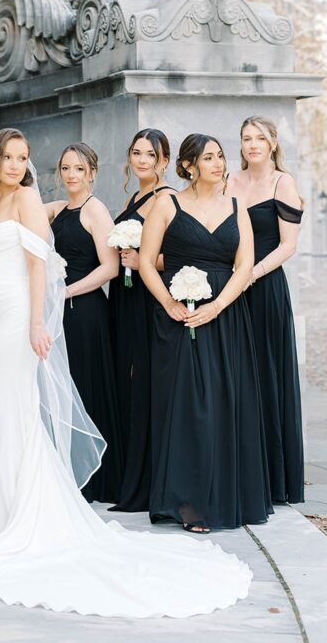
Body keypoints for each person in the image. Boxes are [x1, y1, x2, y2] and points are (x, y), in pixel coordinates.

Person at [0, 129, 253, 618]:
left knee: (14, 403)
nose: (15, 165)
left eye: (23, 157)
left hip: (18, 318)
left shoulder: (30, 198)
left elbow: (40, 266)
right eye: (7, 157)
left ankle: (16, 509)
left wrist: (37, 320)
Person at [140, 133, 273, 532]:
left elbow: (245, 265)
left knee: (224, 404)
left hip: (227, 318)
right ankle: (189, 503)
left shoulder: (237, 206)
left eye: (220, 156)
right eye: (208, 158)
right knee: (187, 409)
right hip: (179, 318)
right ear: (189, 165)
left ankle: (226, 496)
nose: (218, 163)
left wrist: (217, 306)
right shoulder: (168, 204)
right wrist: (169, 304)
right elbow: (147, 262)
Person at [228, 116, 304, 504]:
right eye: (246, 138)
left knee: (267, 373)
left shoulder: (282, 183)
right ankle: (240, 469)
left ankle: (275, 479)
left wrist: (251, 273)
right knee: (237, 374)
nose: (253, 144)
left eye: (260, 138)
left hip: (264, 286)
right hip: (230, 289)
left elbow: (287, 245)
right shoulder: (229, 182)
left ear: (273, 143)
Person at [44, 143, 121, 502]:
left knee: (87, 385)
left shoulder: (96, 211)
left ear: (92, 172)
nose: (71, 175)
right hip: (62, 309)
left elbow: (109, 267)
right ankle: (67, 469)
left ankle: (97, 478)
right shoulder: (59, 209)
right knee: (67, 384)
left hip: (86, 308)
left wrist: (67, 291)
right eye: (65, 168)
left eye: (79, 168)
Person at [109, 129, 175, 513]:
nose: (142, 160)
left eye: (150, 154)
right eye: (136, 153)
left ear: (164, 160)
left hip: (147, 299)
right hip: (126, 295)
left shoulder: (165, 198)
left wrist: (143, 261)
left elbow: (178, 252)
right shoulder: (135, 197)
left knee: (144, 381)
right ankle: (129, 472)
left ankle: (148, 480)